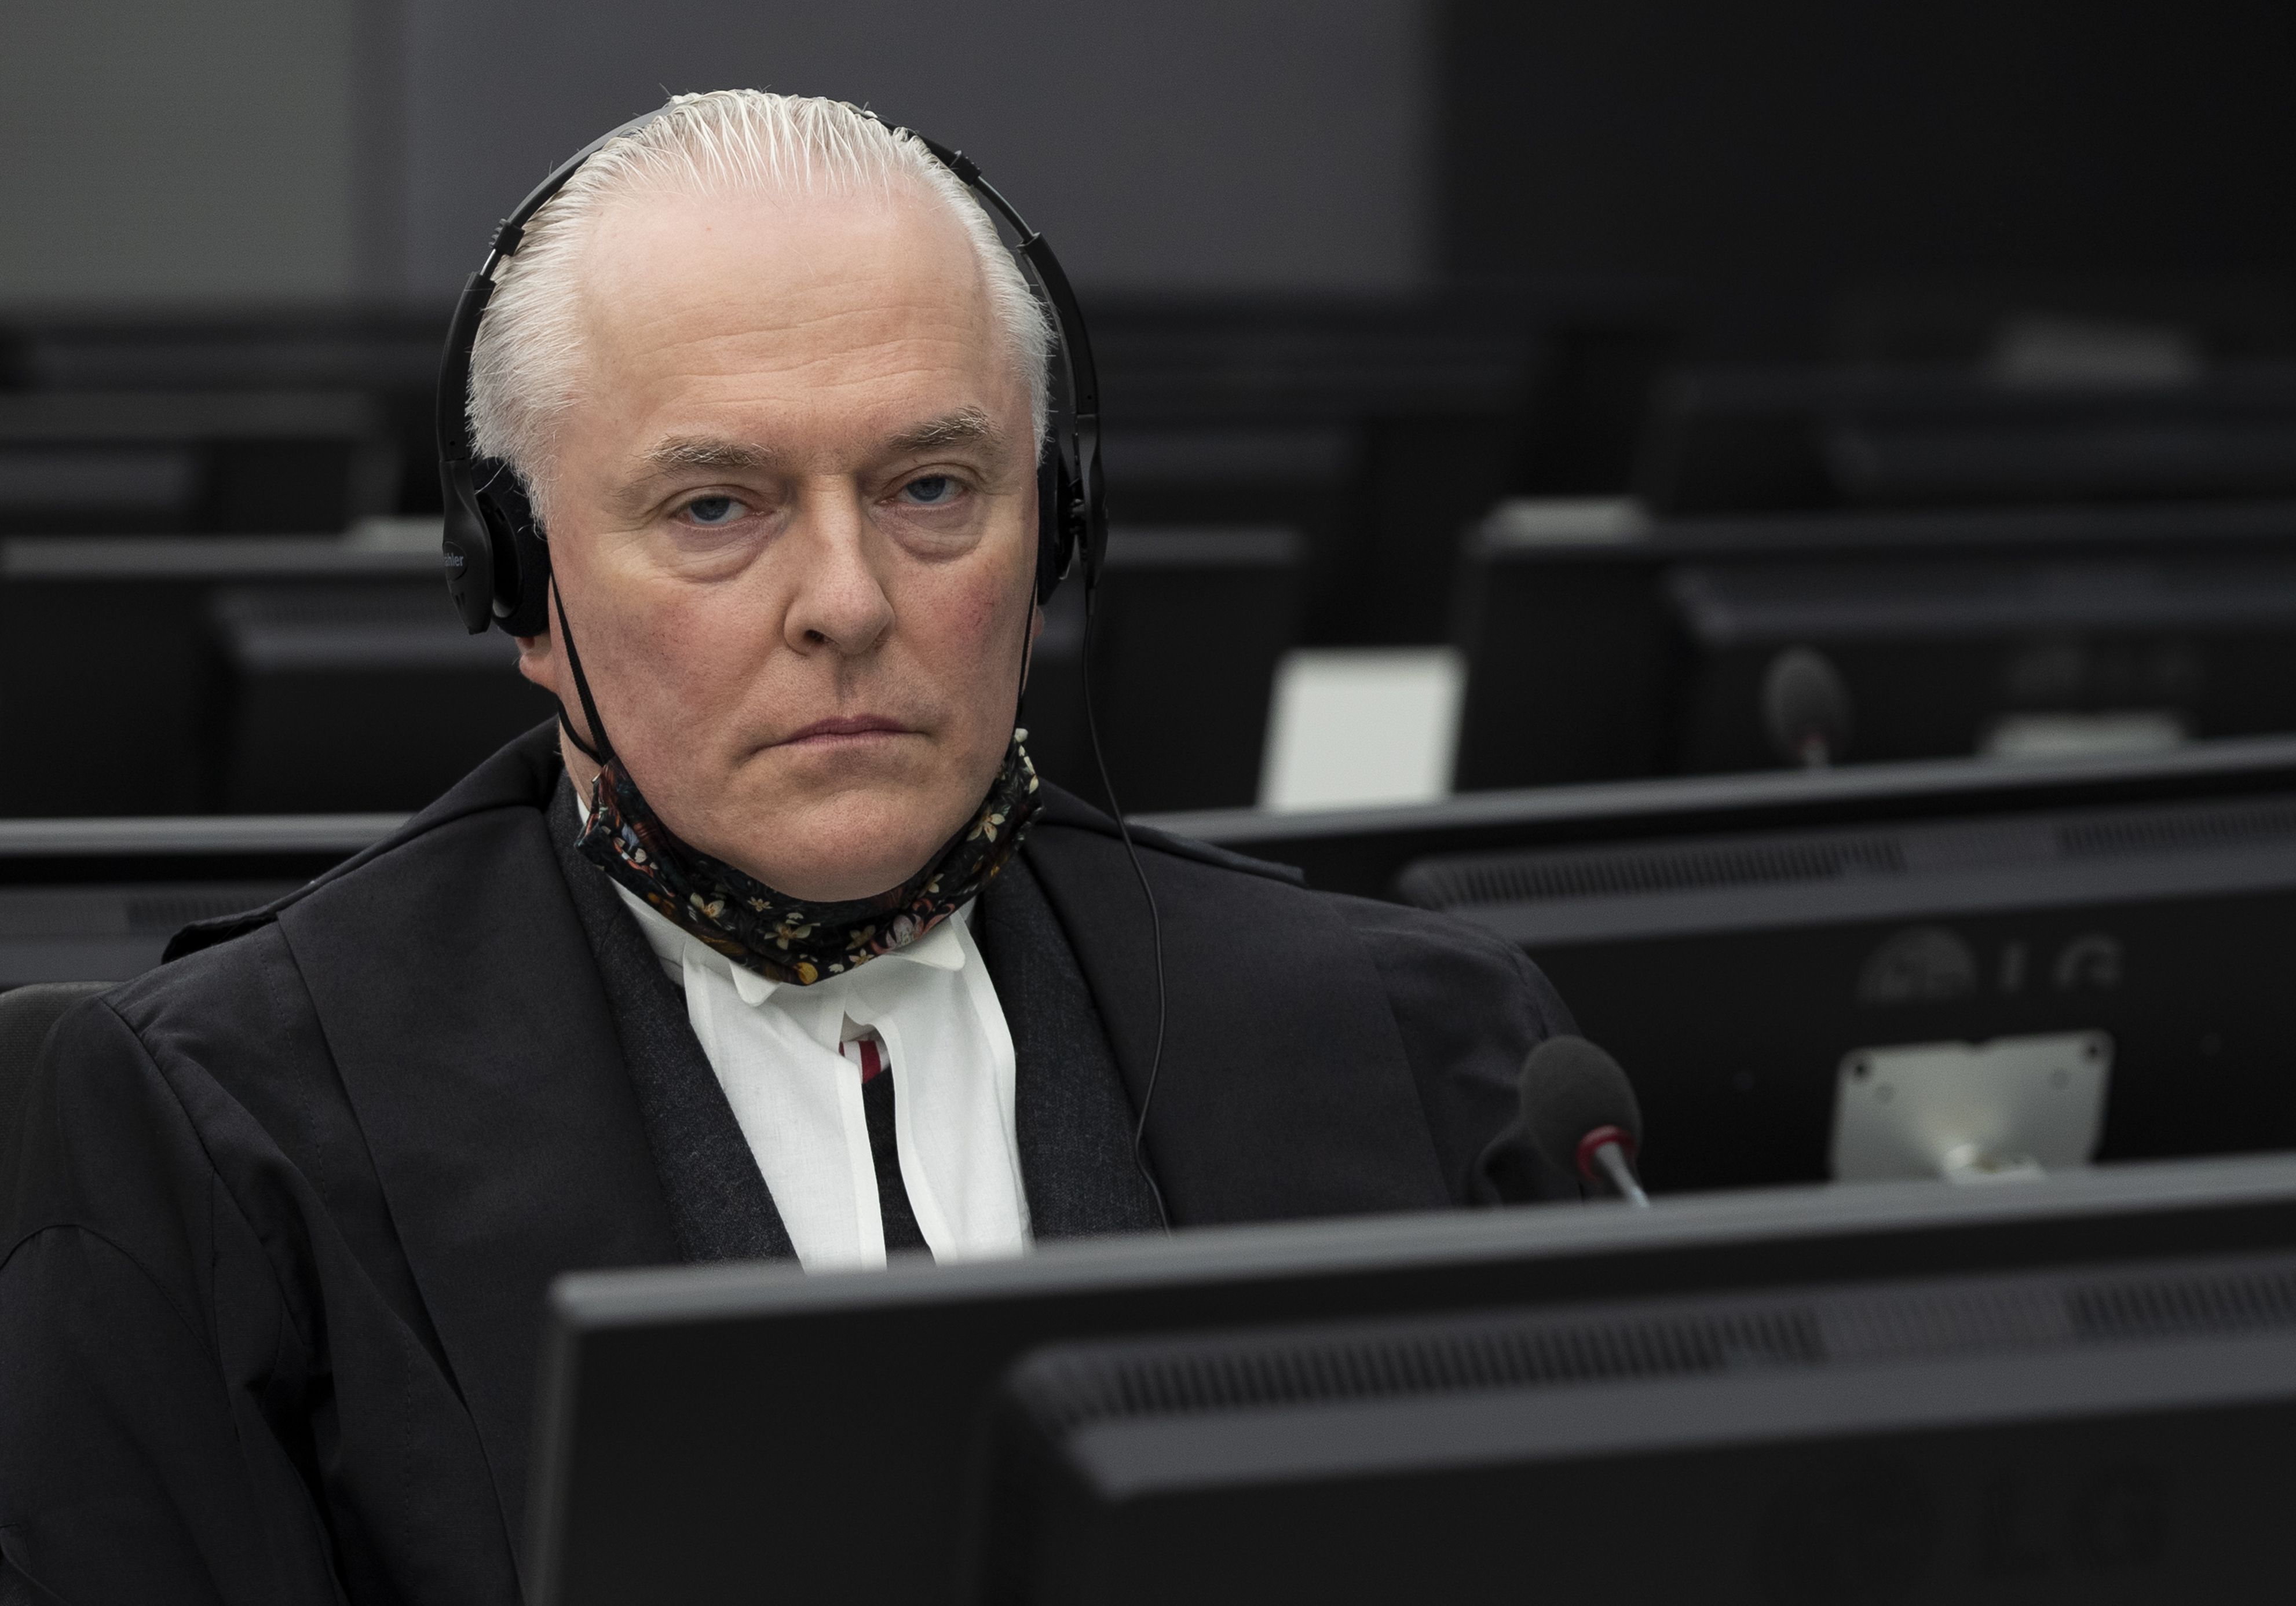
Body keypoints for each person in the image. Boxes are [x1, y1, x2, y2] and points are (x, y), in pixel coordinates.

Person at [0, 93, 1577, 1604]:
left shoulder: (1422, 1048)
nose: (848, 598)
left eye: (934, 487)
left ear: (1060, 528)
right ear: (522, 584)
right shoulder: (221, 1131)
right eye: (715, 507)